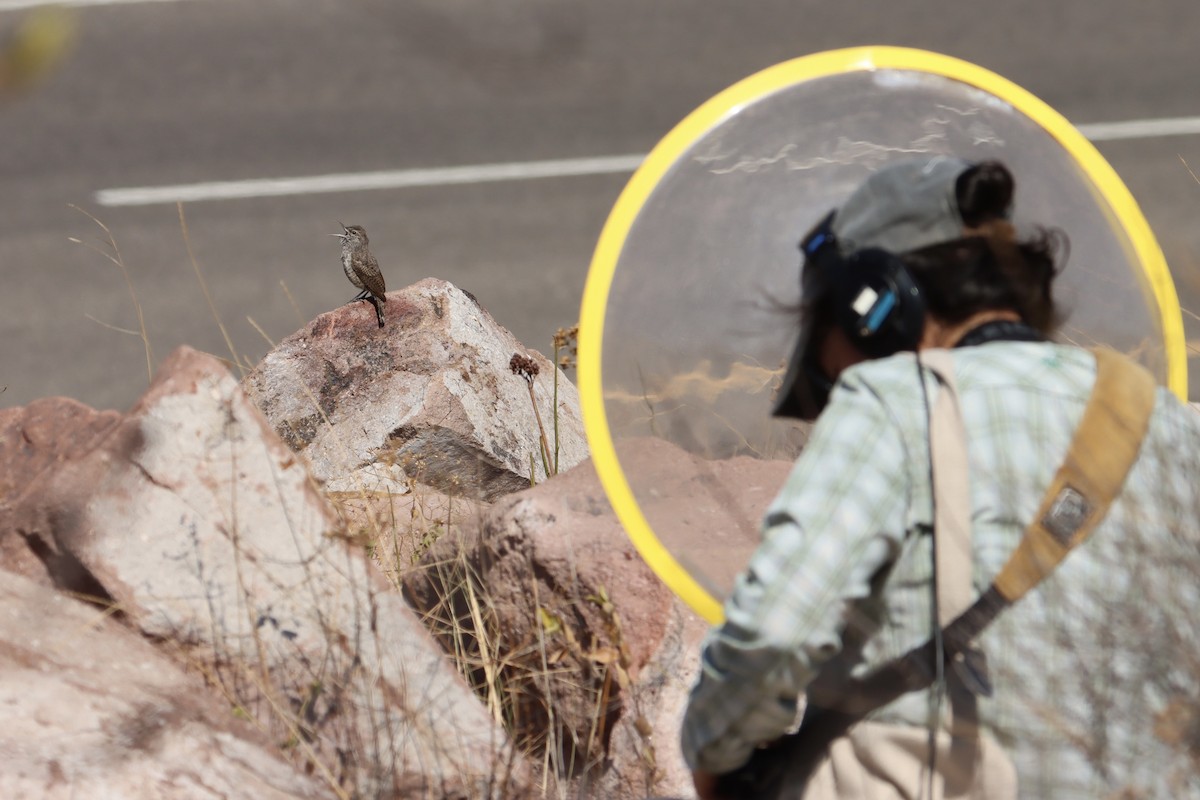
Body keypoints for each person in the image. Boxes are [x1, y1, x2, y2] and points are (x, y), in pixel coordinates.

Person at [680, 156, 1200, 798]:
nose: (825, 378)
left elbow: (772, 631)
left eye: (824, 338)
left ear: (874, 304)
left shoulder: (893, 398)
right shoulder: (1173, 427)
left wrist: (714, 752)